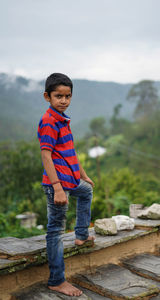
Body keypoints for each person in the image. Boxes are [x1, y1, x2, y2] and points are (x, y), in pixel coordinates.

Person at [37, 73, 95, 297]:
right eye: (58, 96)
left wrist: (84, 175)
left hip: (71, 180)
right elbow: (46, 156)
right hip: (57, 185)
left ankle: (81, 234)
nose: (63, 100)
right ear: (47, 96)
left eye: (67, 96)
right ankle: (57, 280)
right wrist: (57, 187)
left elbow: (70, 152)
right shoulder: (50, 122)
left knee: (87, 190)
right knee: (55, 231)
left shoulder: (63, 119)